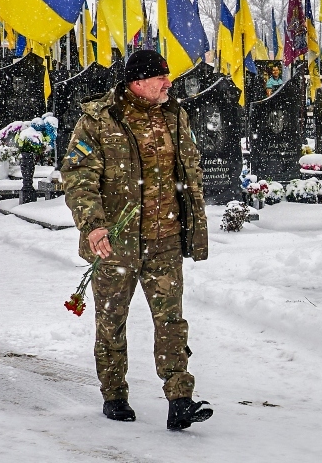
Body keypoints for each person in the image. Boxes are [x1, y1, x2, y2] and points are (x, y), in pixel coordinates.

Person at [61, 50, 212, 431]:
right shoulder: (99, 120)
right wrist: (93, 225)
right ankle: (114, 393)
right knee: (112, 321)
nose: (168, 83)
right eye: (161, 77)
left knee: (171, 321)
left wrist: (191, 227)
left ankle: (180, 399)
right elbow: (78, 176)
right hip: (117, 245)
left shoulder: (175, 116)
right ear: (138, 82)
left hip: (165, 240)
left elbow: (189, 173)